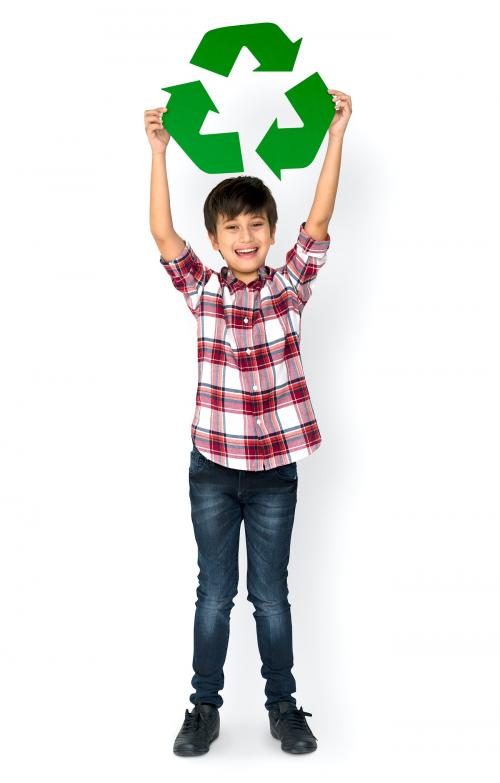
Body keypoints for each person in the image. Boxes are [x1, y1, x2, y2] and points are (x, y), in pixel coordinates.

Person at [144, 88, 352, 756]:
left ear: (269, 230)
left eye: (256, 226)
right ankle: (202, 706)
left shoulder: (289, 284)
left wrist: (335, 136)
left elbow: (318, 221)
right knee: (214, 593)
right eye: (231, 228)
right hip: (211, 470)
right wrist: (158, 153)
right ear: (216, 239)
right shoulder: (202, 289)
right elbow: (162, 235)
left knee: (269, 596)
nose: (244, 237)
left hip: (272, 476)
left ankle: (284, 704)